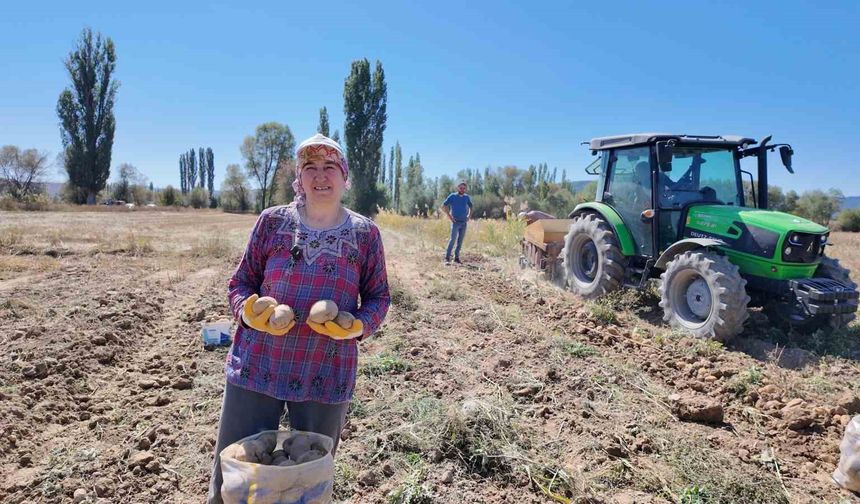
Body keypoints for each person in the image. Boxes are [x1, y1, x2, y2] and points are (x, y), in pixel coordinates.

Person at [207, 133, 391, 503]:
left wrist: (357, 326)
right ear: (299, 177)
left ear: (344, 176)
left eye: (329, 167)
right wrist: (248, 314)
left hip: (325, 369)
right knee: (238, 471)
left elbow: (379, 297)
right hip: (259, 365)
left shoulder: (365, 234)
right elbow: (240, 282)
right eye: (310, 167)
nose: (320, 176)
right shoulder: (272, 222)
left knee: (309, 473)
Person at [442, 181, 472, 264]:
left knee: (460, 241)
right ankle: (447, 258)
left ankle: (456, 258)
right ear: (457, 188)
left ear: (465, 189)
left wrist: (469, 216)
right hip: (455, 222)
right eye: (461, 188)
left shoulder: (466, 197)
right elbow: (444, 206)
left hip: (464, 222)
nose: (462, 189)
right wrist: (450, 216)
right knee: (453, 240)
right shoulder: (452, 196)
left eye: (464, 188)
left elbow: (471, 206)